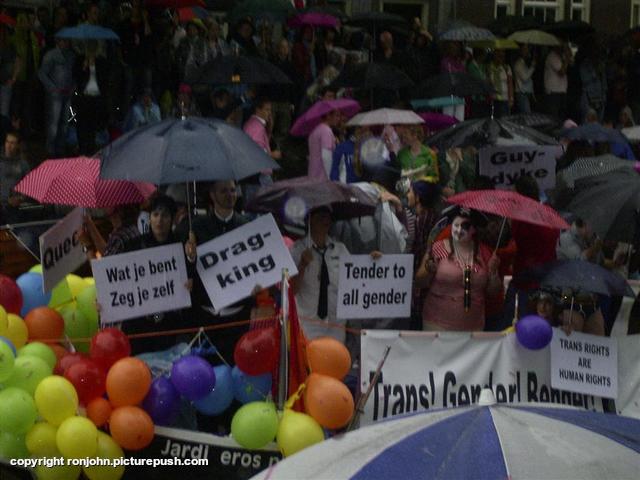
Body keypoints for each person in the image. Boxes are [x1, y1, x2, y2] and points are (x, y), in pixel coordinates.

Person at [291, 206, 381, 344]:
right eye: (321, 216)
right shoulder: (297, 250)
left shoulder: (340, 249)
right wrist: (302, 266)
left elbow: (356, 276)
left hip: (336, 325)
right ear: (310, 220)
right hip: (308, 324)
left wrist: (371, 261)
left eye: (328, 216)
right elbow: (291, 290)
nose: (325, 220)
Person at [120, 195, 192, 354]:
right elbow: (119, 282)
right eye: (155, 214)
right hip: (138, 326)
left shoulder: (182, 246)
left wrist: (190, 266)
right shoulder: (133, 246)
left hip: (171, 327)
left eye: (165, 215)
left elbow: (191, 277)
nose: (160, 220)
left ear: (173, 219)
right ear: (150, 218)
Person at [415, 207, 501, 331]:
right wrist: (429, 269)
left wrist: (493, 273)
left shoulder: (484, 253)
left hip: (473, 327)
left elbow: (493, 292)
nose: (459, 230)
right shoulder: (439, 248)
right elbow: (419, 282)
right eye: (456, 225)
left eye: (465, 226)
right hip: (437, 325)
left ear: (474, 230)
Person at [406, 181, 440, 330]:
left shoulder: (422, 220)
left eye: (410, 192)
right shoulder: (435, 217)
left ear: (418, 197)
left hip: (421, 285)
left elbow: (419, 251)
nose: (407, 195)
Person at [38, 37, 75, 157]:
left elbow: (73, 72)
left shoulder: (71, 55)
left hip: (67, 93)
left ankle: (60, 148)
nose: (65, 42)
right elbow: (42, 73)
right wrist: (52, 88)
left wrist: (74, 86)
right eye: (63, 40)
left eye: (67, 41)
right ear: (58, 41)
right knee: (53, 122)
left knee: (64, 122)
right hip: (55, 94)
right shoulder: (51, 55)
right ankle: (50, 150)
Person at [73, 40, 108, 155]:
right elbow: (76, 77)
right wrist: (84, 67)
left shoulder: (101, 62)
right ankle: (82, 148)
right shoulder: (80, 60)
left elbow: (104, 79)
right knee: (82, 124)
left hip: (96, 97)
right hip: (84, 97)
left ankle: (90, 149)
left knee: (92, 125)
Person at [0, 131, 30, 223]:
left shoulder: (23, 164)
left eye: (12, 143)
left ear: (17, 145)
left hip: (15, 209)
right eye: (7, 142)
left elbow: (29, 186)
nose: (8, 146)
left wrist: (21, 198)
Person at [307, 108, 340, 179]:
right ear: (328, 116)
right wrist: (330, 176)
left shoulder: (315, 130)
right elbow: (326, 155)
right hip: (322, 176)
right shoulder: (326, 131)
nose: (338, 119)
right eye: (336, 116)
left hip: (313, 174)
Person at [544, 45, 570, 119]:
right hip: (554, 91)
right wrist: (566, 59)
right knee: (554, 116)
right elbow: (562, 72)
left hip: (561, 90)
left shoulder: (560, 56)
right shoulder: (552, 56)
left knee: (561, 115)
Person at [487, 49, 513, 118]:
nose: (500, 58)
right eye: (498, 56)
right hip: (494, 99)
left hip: (505, 99)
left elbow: (510, 84)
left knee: (505, 119)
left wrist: (511, 98)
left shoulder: (507, 68)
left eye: (502, 56)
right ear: (494, 56)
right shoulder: (489, 67)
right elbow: (487, 83)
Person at [513, 43, 536, 114]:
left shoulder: (523, 63)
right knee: (527, 115)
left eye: (527, 49)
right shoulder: (518, 64)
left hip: (526, 94)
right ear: (520, 51)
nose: (527, 51)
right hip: (522, 94)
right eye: (525, 49)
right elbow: (525, 78)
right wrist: (533, 66)